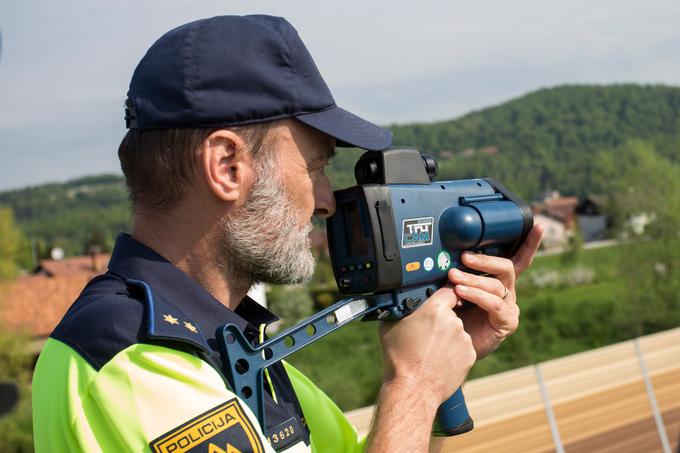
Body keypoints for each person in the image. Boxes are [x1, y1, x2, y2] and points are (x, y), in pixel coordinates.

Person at [32, 15, 542, 453]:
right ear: (227, 166)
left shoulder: (235, 353)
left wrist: (441, 371)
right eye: (315, 168)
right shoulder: (131, 358)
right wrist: (413, 387)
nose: (325, 201)